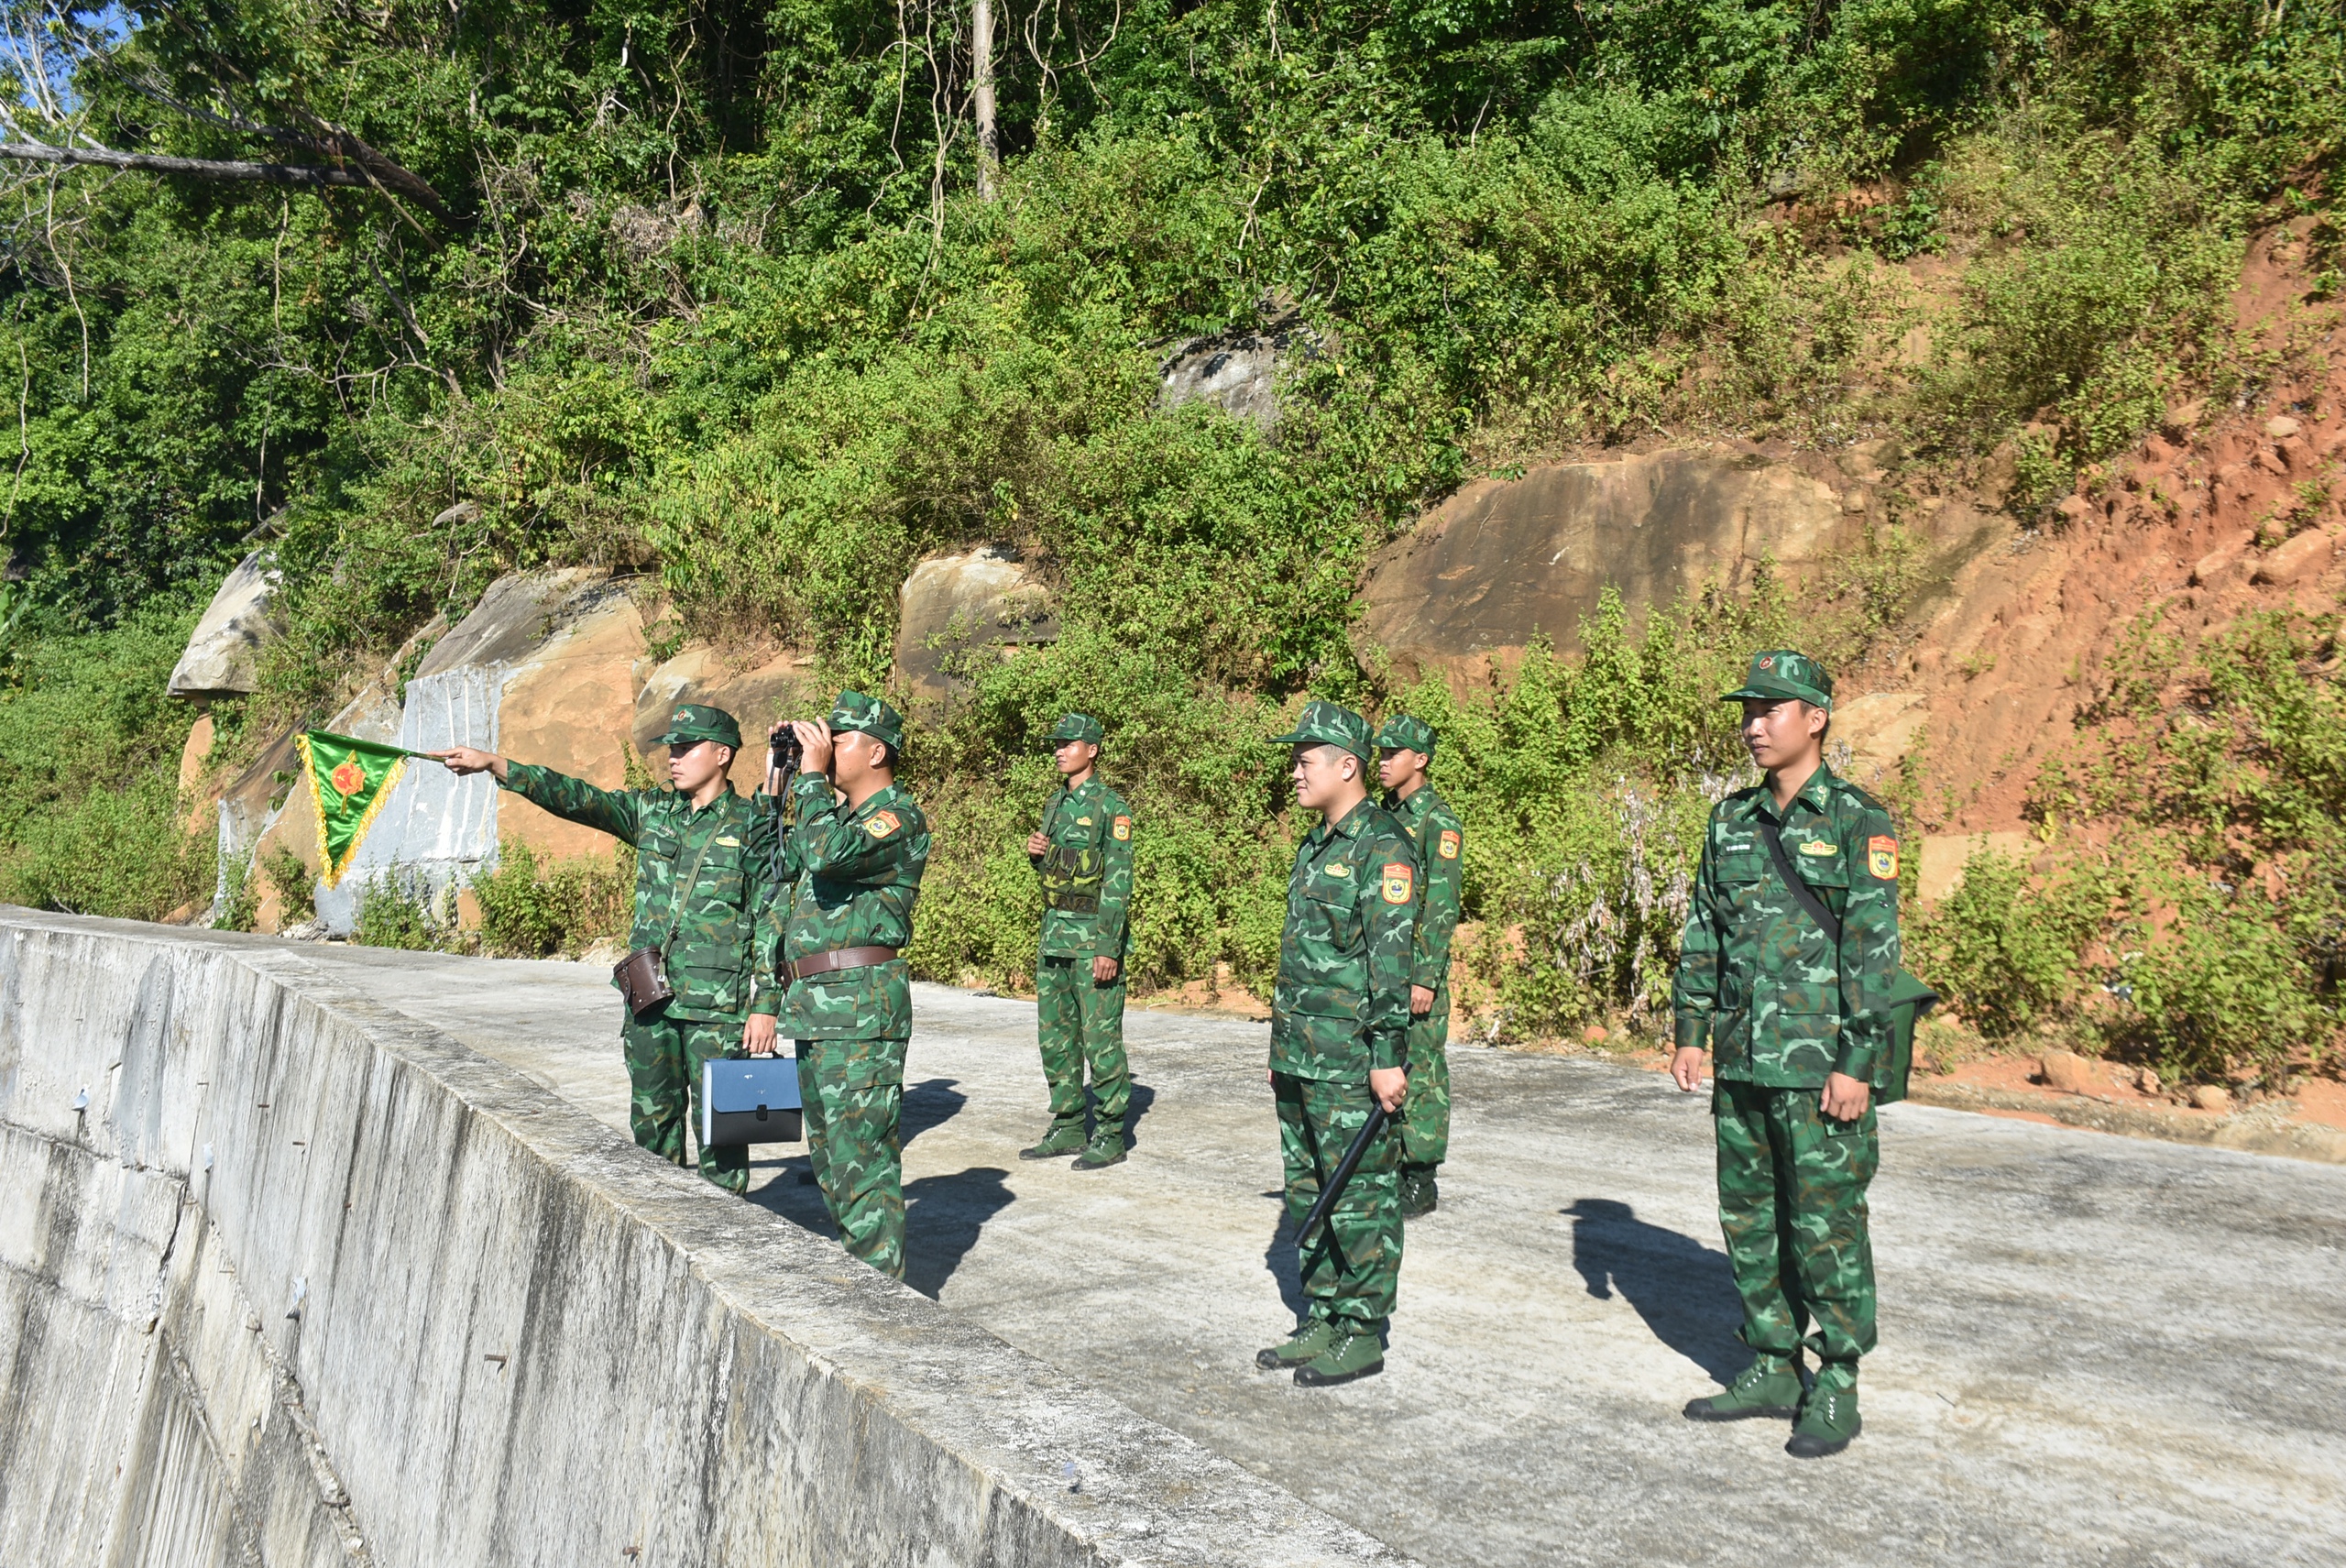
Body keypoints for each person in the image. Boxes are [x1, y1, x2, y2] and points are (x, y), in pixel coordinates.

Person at [1669, 651, 1902, 1458]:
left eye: (1772, 709)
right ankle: (1772, 1362)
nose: (1754, 724)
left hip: (1821, 1068)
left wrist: (1858, 1063)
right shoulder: (1729, 821)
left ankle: (1836, 1381)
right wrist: (1691, 1031)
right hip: (1741, 1060)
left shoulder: (1858, 821)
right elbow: (1705, 932)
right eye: (1748, 710)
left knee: (1827, 1226)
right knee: (1751, 1221)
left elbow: (1875, 959)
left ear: (1817, 717)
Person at [433, 705, 780, 1193]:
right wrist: (497, 764)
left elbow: (772, 918)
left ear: (722, 755)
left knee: (722, 1141)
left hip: (716, 1011)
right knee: (651, 1134)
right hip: (651, 1002)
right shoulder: (651, 813)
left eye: (686, 748)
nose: (674, 758)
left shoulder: (755, 825)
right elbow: (578, 798)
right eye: (671, 749)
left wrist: (764, 1008)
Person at [1255, 701, 1419, 1387]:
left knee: (1360, 1191)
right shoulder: (1316, 843)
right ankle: (1322, 1310)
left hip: (1352, 1059)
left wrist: (1387, 1055)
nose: (1295, 770)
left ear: (1347, 765)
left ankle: (1362, 1327)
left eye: (1306, 759)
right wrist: (1279, 1049)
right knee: (1310, 1188)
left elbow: (1389, 963)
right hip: (1302, 1053)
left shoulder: (1383, 846)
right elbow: (1300, 956)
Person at [758, 690, 930, 1281]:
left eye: (841, 738)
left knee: (863, 1167)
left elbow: (826, 854)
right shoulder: (834, 817)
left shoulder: (897, 815)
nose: (827, 749)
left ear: (876, 750)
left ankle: (885, 1308)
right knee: (832, 1166)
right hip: (817, 1010)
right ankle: (866, 1285)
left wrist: (810, 777)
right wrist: (781, 777)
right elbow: (773, 862)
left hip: (860, 1010)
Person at [1019, 712, 1135, 1170]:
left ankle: (1110, 1133)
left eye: (1069, 743)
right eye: (1057, 743)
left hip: (1092, 941)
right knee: (1056, 1037)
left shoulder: (1112, 807)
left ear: (1093, 749)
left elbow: (1118, 882)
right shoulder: (1055, 803)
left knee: (1100, 1040)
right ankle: (1068, 1124)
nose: (1059, 749)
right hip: (1054, 936)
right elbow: (1059, 869)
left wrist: (1109, 947)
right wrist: (1036, 856)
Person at [1376, 714, 1464, 1219]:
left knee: (1422, 1069)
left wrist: (1425, 977)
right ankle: (1385, 1165)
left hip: (1415, 972)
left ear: (1420, 760)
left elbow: (1441, 906)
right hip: (1381, 969)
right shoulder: (1382, 816)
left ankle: (1420, 1176)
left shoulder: (1438, 822)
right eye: (1381, 754)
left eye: (1394, 754)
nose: (1383, 762)